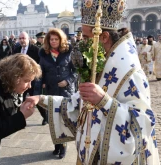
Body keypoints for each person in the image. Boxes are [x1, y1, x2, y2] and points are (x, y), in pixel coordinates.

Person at [25, 0, 160, 164]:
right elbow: (79, 105)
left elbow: (143, 124)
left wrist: (104, 101)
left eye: (87, 37)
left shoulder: (130, 73)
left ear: (103, 37)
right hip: (91, 151)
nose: (82, 42)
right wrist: (42, 99)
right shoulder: (102, 62)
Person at [39, 28, 77, 159]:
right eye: (51, 39)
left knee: (63, 119)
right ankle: (56, 145)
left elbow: (76, 71)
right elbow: (42, 72)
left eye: (56, 39)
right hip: (51, 91)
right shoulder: (44, 54)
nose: (53, 41)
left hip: (66, 91)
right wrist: (42, 84)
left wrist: (67, 81)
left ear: (61, 40)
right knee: (53, 119)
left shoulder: (69, 52)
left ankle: (63, 147)